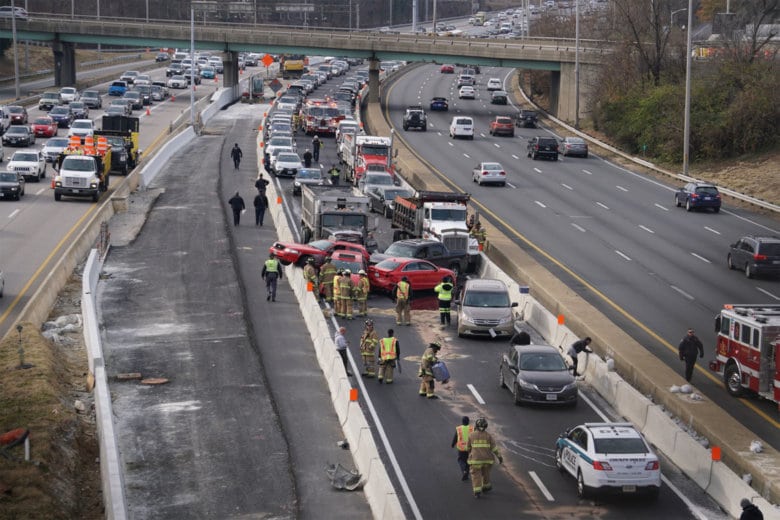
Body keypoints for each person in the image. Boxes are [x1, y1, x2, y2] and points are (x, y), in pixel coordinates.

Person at [467, 417, 503, 498]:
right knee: (486, 474)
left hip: (475, 460)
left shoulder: (471, 435)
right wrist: (499, 457)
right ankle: (486, 487)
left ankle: (477, 491)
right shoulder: (488, 436)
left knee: (476, 475)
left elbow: (468, 448)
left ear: (476, 425)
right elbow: (494, 448)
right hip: (487, 460)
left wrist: (470, 453)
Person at [451, 416, 473, 481]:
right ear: (468, 421)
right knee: (468, 461)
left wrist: (453, 444)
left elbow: (455, 437)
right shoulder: (472, 428)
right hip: (469, 448)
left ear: (462, 422)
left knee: (460, 460)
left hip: (461, 448)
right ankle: (466, 472)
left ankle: (464, 471)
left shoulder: (459, 428)